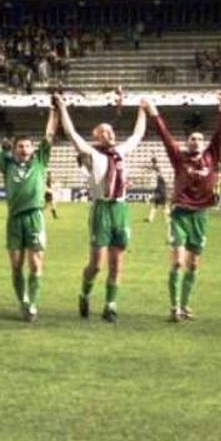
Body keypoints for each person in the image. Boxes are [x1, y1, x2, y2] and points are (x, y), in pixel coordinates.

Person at [55, 95, 147, 322]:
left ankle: (110, 305)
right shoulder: (92, 154)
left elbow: (138, 134)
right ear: (95, 136)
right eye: (103, 131)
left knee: (116, 263)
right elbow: (71, 133)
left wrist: (143, 109)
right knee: (96, 265)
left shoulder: (121, 152)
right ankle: (84, 293)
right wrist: (62, 107)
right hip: (101, 210)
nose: (110, 133)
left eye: (111, 130)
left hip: (121, 209)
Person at [144, 91, 221, 322]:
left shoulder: (212, 155)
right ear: (187, 142)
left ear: (204, 143)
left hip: (200, 216)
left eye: (200, 138)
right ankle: (174, 308)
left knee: (193, 265)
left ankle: (184, 304)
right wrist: (153, 111)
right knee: (178, 262)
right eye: (192, 138)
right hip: (180, 214)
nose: (196, 141)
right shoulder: (178, 157)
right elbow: (164, 134)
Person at [0, 106, 58, 322]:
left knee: (36, 263)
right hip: (14, 219)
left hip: (35, 217)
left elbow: (49, 134)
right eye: (20, 146)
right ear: (14, 149)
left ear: (32, 148)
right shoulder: (7, 163)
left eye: (27, 146)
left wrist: (53, 111)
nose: (24, 149)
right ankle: (23, 301)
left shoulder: (40, 160)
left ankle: (32, 304)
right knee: (16, 265)